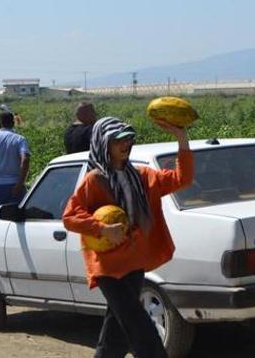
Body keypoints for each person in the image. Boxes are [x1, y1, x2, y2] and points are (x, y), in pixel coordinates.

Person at [62, 117, 193, 358]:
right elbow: (70, 217)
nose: (126, 144)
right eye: (118, 140)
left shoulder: (143, 176)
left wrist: (182, 139)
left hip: (134, 263)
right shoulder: (94, 180)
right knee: (138, 322)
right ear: (103, 144)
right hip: (107, 267)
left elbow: (181, 179)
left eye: (128, 139)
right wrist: (100, 228)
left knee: (116, 333)